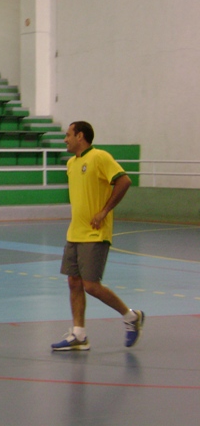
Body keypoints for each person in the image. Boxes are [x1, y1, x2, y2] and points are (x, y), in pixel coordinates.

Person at [51, 121, 144, 351]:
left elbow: (124, 181)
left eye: (68, 135)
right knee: (73, 282)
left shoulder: (100, 157)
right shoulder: (71, 163)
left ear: (80, 136)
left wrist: (104, 211)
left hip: (95, 233)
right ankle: (79, 335)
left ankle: (131, 317)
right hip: (75, 232)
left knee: (91, 285)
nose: (65, 139)